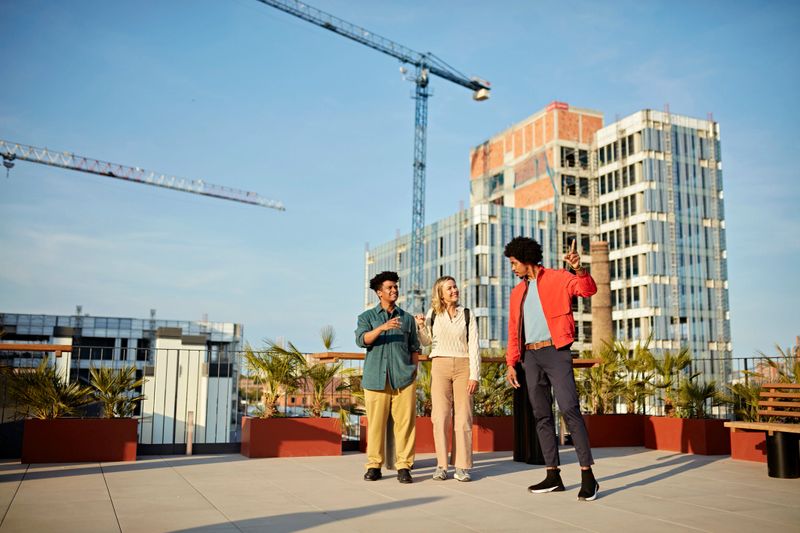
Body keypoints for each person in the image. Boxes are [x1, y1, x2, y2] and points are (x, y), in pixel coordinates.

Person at [503, 236, 600, 501]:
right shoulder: (517, 293)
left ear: (526, 259)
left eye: (514, 263)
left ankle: (587, 475)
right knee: (542, 414)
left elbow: (588, 290)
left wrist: (578, 268)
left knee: (569, 408)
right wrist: (512, 362)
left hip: (556, 352)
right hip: (530, 357)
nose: (512, 268)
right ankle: (553, 474)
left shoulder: (559, 277)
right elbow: (514, 331)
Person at [355, 271, 420, 484]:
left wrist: (413, 371)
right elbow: (362, 340)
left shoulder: (408, 319)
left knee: (406, 425)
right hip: (375, 380)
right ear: (378, 292)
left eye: (395, 287)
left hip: (404, 380)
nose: (394, 290)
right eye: (389, 287)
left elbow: (414, 348)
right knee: (375, 425)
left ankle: (404, 466)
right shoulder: (366, 318)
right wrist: (382, 328)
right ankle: (374, 465)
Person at [415, 276, 479, 482]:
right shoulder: (433, 313)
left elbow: (474, 347)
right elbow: (426, 342)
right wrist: (421, 326)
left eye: (455, 286)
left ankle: (462, 466)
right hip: (440, 365)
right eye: (449, 288)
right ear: (440, 293)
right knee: (440, 416)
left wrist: (474, 375)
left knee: (464, 417)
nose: (454, 290)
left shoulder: (467, 314)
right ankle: (441, 465)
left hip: (463, 367)